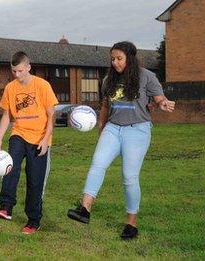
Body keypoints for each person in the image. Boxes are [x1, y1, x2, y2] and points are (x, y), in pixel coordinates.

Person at [67, 41, 175, 239]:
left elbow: (159, 98)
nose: (115, 63)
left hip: (138, 130)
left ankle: (131, 224)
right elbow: (106, 107)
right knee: (97, 164)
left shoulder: (147, 76)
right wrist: (101, 128)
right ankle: (85, 209)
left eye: (119, 58)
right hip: (113, 129)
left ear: (130, 58)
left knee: (129, 177)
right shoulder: (108, 80)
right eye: (112, 59)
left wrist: (164, 103)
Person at [0, 51, 58, 234]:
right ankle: (6, 207)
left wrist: (46, 140)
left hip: (39, 138)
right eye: (14, 71)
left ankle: (33, 220)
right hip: (19, 133)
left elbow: (52, 115)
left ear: (28, 67)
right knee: (10, 165)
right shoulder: (10, 88)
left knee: (34, 180)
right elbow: (7, 116)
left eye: (20, 71)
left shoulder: (43, 86)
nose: (17, 75)